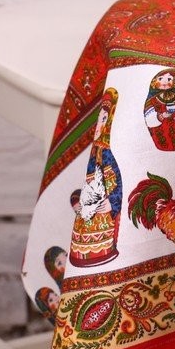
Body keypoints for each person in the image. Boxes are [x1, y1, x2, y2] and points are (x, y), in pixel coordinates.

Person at [69, 88, 123, 267]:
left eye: (104, 119)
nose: (99, 125)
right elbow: (89, 182)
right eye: (99, 119)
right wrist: (80, 200)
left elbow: (120, 181)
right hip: (92, 203)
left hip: (105, 207)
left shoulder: (109, 152)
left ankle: (101, 255)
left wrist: (112, 202)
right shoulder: (97, 152)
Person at [143, 68, 175, 151]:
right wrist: (161, 116)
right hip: (161, 135)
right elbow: (149, 118)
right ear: (154, 82)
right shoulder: (152, 100)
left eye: (169, 79)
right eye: (160, 79)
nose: (164, 82)